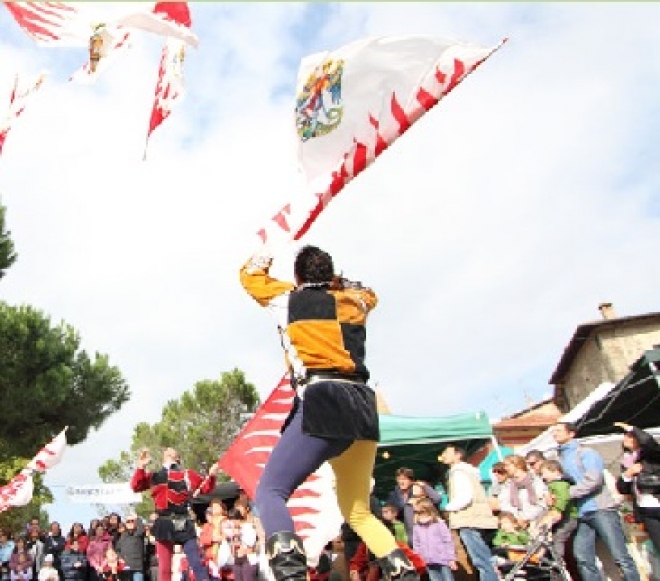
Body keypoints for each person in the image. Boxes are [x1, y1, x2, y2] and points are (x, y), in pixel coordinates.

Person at [240, 245, 418, 581]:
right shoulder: (355, 301)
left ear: (298, 276)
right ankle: (404, 572)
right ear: (331, 275)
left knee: (270, 492)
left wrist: (267, 245)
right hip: (363, 405)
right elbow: (370, 294)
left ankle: (290, 574)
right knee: (358, 511)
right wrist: (334, 279)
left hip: (325, 398)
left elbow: (249, 278)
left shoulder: (289, 299)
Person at [551, 421, 640, 581]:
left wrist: (567, 494)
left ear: (571, 433)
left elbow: (594, 481)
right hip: (582, 513)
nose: (554, 434)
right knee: (583, 556)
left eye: (558, 430)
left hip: (601, 509)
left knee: (620, 555)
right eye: (553, 431)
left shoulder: (586, 453)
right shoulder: (561, 458)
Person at [130, 447, 218, 581]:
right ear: (163, 457)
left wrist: (211, 476)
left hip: (184, 521)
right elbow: (136, 486)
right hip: (164, 522)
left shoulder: (187, 474)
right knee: (164, 568)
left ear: (177, 458)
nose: (168, 452)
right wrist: (141, 466)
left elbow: (205, 487)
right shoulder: (154, 476)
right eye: (166, 452)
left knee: (196, 562)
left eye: (172, 451)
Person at [440, 444, 498, 581]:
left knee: (481, 560)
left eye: (447, 452)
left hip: (469, 519)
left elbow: (465, 497)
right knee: (484, 559)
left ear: (458, 455)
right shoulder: (468, 472)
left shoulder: (459, 472)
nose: (443, 455)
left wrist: (447, 508)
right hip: (476, 519)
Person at [614, 421, 660, 553]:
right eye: (625, 436)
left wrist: (631, 428)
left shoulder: (651, 455)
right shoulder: (627, 460)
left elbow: (649, 441)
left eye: (630, 436)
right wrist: (628, 474)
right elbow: (622, 489)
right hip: (645, 509)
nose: (626, 439)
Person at [386, 469, 440, 548]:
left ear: (411, 480)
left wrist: (423, 486)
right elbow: (389, 511)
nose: (401, 482)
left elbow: (437, 498)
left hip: (426, 533)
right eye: (399, 479)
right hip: (408, 535)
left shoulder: (418, 492)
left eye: (404, 479)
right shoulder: (393, 495)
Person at [538, 459, 577, 561]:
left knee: (559, 537)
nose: (543, 477)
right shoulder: (552, 485)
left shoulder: (560, 484)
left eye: (544, 473)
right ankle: (544, 556)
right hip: (559, 516)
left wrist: (557, 509)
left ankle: (557, 560)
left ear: (555, 471)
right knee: (547, 535)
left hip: (568, 516)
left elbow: (563, 497)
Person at [497, 455, 547, 531]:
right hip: (514, 523)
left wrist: (526, 518)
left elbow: (541, 503)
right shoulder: (508, 484)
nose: (505, 468)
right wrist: (515, 518)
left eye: (507, 465)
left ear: (518, 465)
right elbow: (503, 502)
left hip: (535, 522)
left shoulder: (535, 481)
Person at [411, 498, 456, 581]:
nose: (419, 514)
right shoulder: (417, 527)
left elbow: (448, 541)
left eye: (421, 512)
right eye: (417, 512)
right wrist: (419, 559)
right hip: (427, 561)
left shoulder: (439, 523)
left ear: (429, 510)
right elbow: (416, 544)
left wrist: (451, 558)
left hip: (443, 559)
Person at [115, 514, 145, 581]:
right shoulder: (123, 536)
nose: (130, 523)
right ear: (125, 523)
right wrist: (120, 558)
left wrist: (137, 518)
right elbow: (117, 549)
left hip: (137, 567)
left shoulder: (138, 533)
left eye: (132, 521)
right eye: (128, 521)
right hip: (126, 567)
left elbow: (142, 528)